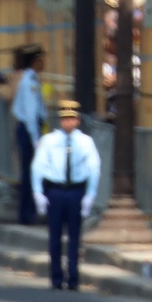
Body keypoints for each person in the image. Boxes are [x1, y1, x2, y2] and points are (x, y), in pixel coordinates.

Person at [30, 100, 101, 291]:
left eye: (72, 118)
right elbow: (38, 166)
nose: (68, 122)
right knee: (55, 236)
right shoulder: (50, 141)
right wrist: (38, 192)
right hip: (55, 190)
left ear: (77, 120)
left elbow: (94, 168)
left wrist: (90, 194)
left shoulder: (85, 142)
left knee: (75, 236)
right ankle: (55, 277)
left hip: (76, 191)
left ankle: (73, 277)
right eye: (65, 118)